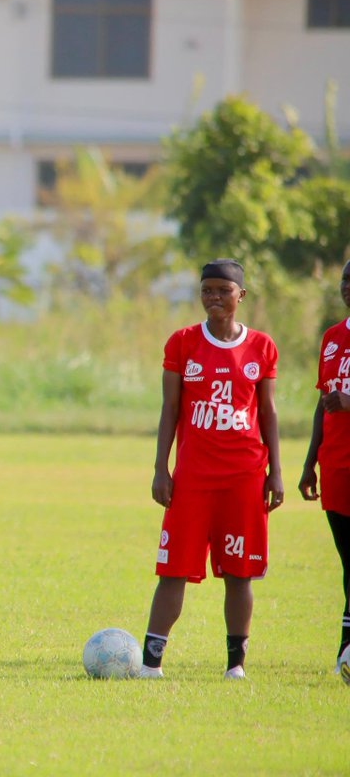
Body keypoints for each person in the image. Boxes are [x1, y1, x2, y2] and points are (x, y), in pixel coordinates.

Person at [141, 258, 284, 679]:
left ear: (241, 295)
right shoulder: (183, 342)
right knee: (174, 569)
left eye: (224, 290)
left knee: (240, 573)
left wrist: (276, 472)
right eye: (207, 290)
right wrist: (160, 468)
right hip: (193, 478)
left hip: (243, 475)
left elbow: (268, 413)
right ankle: (151, 664)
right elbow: (169, 410)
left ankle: (235, 666)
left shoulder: (261, 346)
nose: (214, 298)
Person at [298, 259, 350, 678]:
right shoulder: (333, 338)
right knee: (348, 563)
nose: (349, 287)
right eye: (346, 280)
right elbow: (323, 401)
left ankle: (346, 651)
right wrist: (309, 462)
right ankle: (346, 653)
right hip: (336, 466)